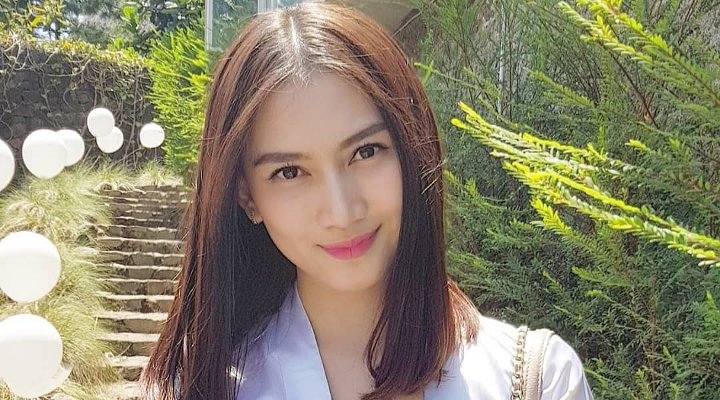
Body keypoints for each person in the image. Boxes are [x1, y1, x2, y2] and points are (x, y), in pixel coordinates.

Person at [141, 2, 593, 399]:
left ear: (412, 148)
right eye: (290, 172)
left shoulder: (536, 381)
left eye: (366, 152)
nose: (341, 212)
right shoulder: (199, 389)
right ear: (246, 196)